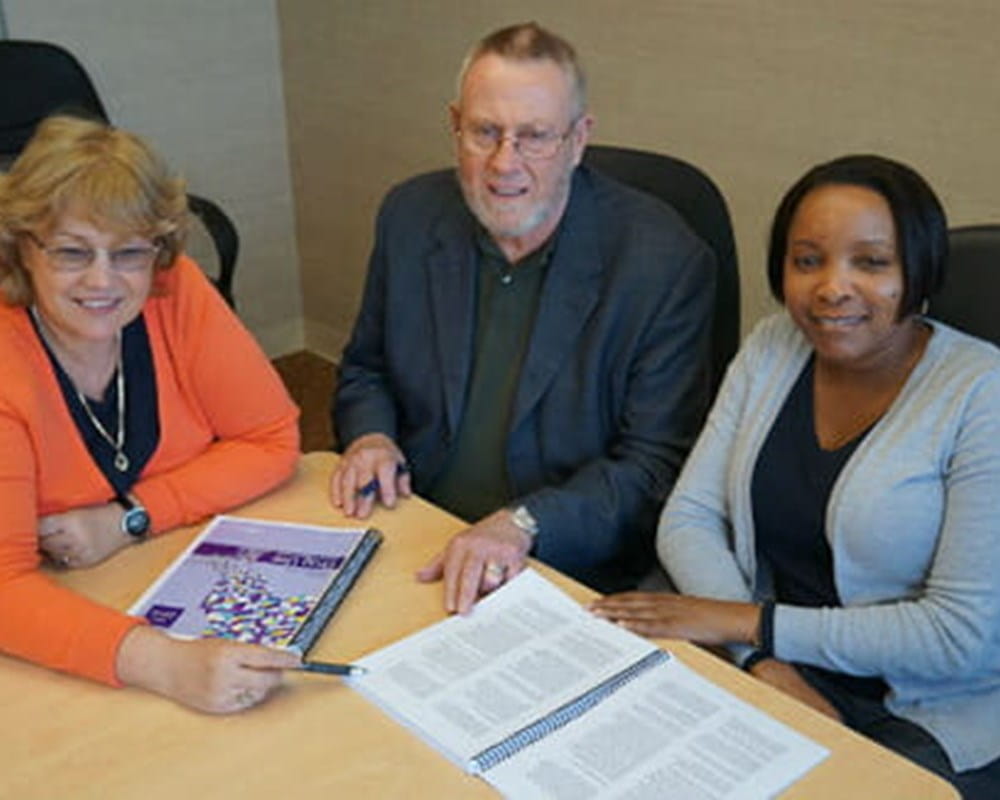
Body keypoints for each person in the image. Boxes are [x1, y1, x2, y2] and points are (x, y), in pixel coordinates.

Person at [591, 154, 1000, 797]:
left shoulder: (982, 393)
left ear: (918, 271)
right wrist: (762, 661)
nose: (832, 288)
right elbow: (691, 515)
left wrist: (747, 625)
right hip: (769, 660)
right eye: (808, 260)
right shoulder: (773, 345)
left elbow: (961, 636)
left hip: (924, 705)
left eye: (870, 263)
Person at [330, 22, 716, 613]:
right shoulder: (409, 215)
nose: (504, 163)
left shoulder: (663, 262)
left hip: (558, 567)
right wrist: (371, 436)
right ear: (455, 124)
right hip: (413, 530)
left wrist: (523, 522)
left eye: (535, 136)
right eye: (485, 131)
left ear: (579, 139)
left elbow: (653, 467)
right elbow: (366, 368)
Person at [0, 115, 303, 713]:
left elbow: (270, 438)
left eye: (129, 252)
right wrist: (162, 663)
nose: (102, 280)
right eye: (70, 251)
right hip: (63, 647)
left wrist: (128, 518)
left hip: (162, 570)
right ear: (21, 249)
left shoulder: (175, 289)